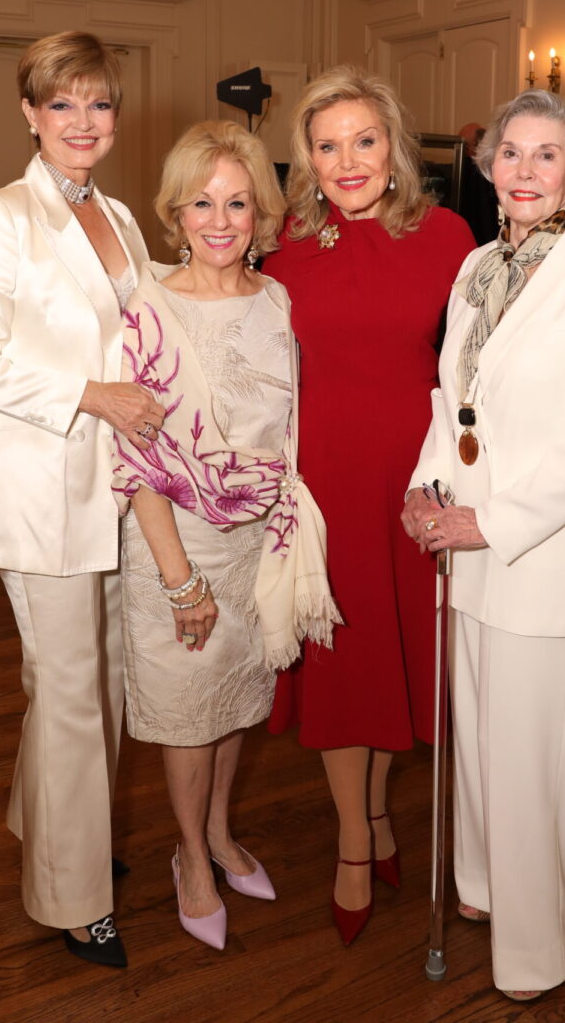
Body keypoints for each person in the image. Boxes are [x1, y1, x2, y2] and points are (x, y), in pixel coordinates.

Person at [401, 89, 565, 1002]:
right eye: (512, 153)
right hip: (465, 546)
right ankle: (484, 885)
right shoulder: (474, 269)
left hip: (540, 553)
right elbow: (453, 401)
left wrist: (489, 522)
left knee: (536, 753)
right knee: (481, 740)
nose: (527, 170)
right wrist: (425, 489)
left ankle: (538, 945)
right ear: (488, 167)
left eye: (549, 156)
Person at [0, 31, 164, 967]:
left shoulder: (117, 213)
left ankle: (48, 824)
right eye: (62, 103)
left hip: (114, 489)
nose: (83, 121)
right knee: (72, 691)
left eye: (99, 103)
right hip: (38, 486)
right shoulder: (1, 216)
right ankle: (72, 898)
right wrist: (89, 394)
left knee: (94, 680)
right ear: (29, 114)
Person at [111, 121, 338, 952]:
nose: (219, 219)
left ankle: (217, 831)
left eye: (237, 202)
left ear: (260, 213)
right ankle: (189, 858)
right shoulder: (149, 306)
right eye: (202, 202)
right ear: (175, 211)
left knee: (236, 701)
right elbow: (134, 458)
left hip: (255, 540)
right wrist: (179, 581)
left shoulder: (276, 299)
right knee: (185, 713)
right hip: (180, 543)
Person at [263, 65, 475, 945]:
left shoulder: (452, 236)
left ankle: (381, 814)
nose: (346, 160)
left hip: (416, 482)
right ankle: (355, 838)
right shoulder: (278, 244)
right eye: (326, 145)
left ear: (394, 146)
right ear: (305, 160)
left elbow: (476, 373)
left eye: (363, 140)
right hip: (322, 484)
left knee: (395, 656)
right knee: (345, 662)